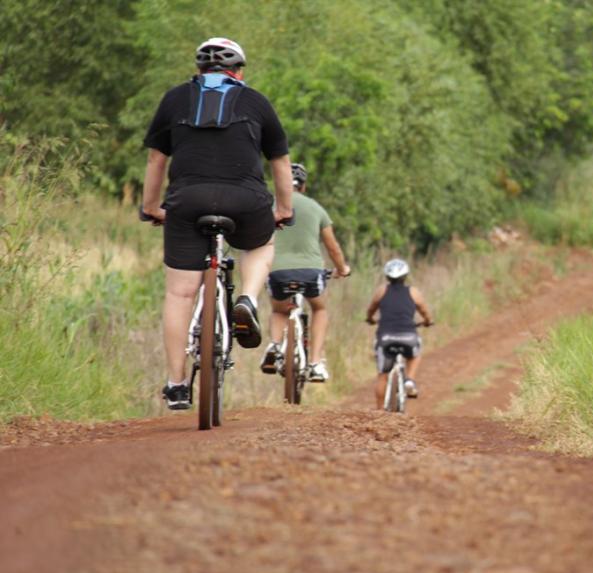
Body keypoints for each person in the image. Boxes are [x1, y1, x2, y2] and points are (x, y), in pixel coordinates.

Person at [142, 37, 293, 410]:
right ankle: (247, 298)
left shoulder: (175, 99)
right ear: (239, 72)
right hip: (246, 199)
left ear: (198, 70)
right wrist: (285, 209)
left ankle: (177, 384)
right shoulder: (256, 101)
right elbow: (280, 163)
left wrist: (150, 207)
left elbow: (156, 162)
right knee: (260, 244)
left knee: (180, 292)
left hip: (187, 199)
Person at [260, 163, 351, 381]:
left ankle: (274, 345)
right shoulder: (315, 208)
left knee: (279, 311)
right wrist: (342, 268)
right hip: (311, 272)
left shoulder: (268, 207)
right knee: (319, 309)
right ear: (304, 186)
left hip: (277, 271)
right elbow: (332, 246)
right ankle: (316, 363)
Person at [365, 259, 434, 407]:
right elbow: (425, 312)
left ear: (387, 277)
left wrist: (370, 319)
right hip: (408, 336)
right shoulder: (413, 292)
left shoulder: (381, 291)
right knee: (415, 354)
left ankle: (379, 413)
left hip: (385, 337)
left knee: (383, 375)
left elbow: (371, 310)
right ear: (406, 276)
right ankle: (409, 380)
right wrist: (428, 321)